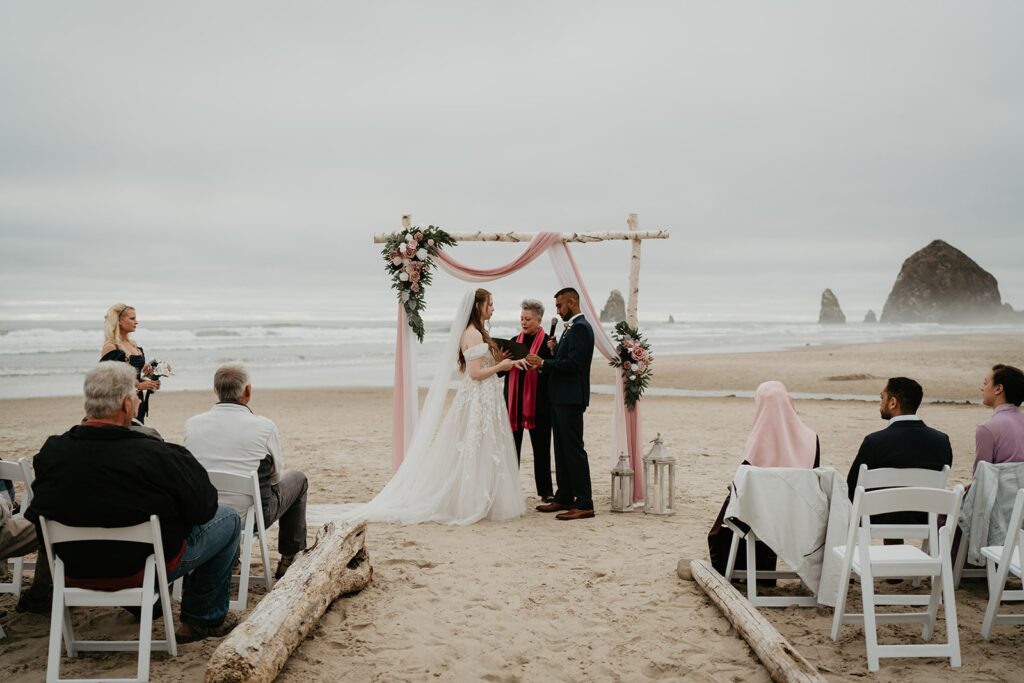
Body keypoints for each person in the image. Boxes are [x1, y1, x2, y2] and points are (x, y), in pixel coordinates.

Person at [24, 362, 241, 642]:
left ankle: (146, 603)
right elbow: (204, 508)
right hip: (140, 568)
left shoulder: (52, 452)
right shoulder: (157, 454)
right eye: (136, 396)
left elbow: (40, 515)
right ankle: (203, 620)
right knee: (229, 518)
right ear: (127, 404)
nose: (139, 401)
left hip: (75, 568)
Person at [323, 289, 528, 525]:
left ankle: (485, 498)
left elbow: (482, 365)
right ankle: (470, 501)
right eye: (490, 304)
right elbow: (474, 373)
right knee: (474, 447)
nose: (493, 308)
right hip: (478, 398)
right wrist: (500, 367)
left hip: (486, 398)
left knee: (485, 447)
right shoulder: (472, 334)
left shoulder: (480, 333)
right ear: (477, 307)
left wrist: (502, 361)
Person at [184, 363, 309, 579]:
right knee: (298, 479)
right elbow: (277, 476)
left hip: (205, 515)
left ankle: (231, 559)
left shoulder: (193, 424)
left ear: (216, 390)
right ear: (248, 392)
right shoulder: (264, 426)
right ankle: (289, 557)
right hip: (252, 517)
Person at [707, 381, 820, 576]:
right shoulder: (812, 438)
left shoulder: (757, 440)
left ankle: (741, 572)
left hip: (762, 517)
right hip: (799, 516)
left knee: (726, 523)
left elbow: (744, 484)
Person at [528, 287, 596, 521]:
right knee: (561, 449)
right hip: (560, 397)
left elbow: (574, 365)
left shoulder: (581, 329)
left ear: (572, 302)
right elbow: (565, 360)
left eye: (559, 306)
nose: (557, 310)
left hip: (570, 399)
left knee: (574, 450)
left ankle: (585, 502)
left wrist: (544, 364)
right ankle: (565, 496)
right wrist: (554, 353)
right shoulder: (572, 329)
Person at [503, 298, 555, 502]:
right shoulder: (514, 340)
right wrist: (503, 360)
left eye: (528, 319)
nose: (523, 322)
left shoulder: (549, 342)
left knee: (541, 449)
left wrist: (543, 362)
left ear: (539, 320)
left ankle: (546, 492)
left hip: (539, 403)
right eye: (521, 318)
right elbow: (501, 373)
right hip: (514, 403)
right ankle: (510, 490)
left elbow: (554, 370)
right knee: (511, 448)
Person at [100, 303, 161, 423]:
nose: (136, 322)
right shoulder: (111, 347)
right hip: (120, 405)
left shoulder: (134, 345)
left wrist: (149, 382)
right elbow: (107, 383)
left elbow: (134, 377)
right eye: (132, 318)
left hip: (137, 402)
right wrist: (138, 386)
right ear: (119, 321)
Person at [973, 363, 1024, 472]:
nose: (982, 388)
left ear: (998, 389)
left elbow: (982, 477)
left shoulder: (987, 428)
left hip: (1003, 488)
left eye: (985, 383)